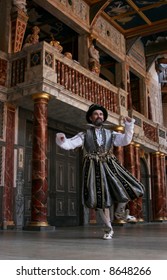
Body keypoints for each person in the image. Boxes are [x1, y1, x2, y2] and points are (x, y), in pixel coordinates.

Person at [56, 104, 145, 240]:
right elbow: (69, 144)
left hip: (110, 164)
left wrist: (128, 126)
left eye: (101, 114)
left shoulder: (111, 134)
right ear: (91, 118)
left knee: (128, 186)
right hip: (93, 167)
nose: (99, 116)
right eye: (96, 114)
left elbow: (126, 140)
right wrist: (61, 140)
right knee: (100, 199)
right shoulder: (84, 135)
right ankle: (108, 228)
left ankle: (120, 212)